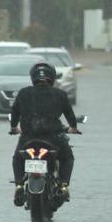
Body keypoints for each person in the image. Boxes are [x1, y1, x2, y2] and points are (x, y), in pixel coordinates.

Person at [9, 61, 80, 205]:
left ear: (33, 77)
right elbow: (69, 115)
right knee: (67, 158)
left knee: (18, 158)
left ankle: (19, 186)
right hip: (54, 138)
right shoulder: (60, 94)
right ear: (52, 77)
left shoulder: (24, 93)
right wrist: (73, 127)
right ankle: (63, 186)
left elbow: (15, 113)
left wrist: (14, 127)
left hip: (28, 138)